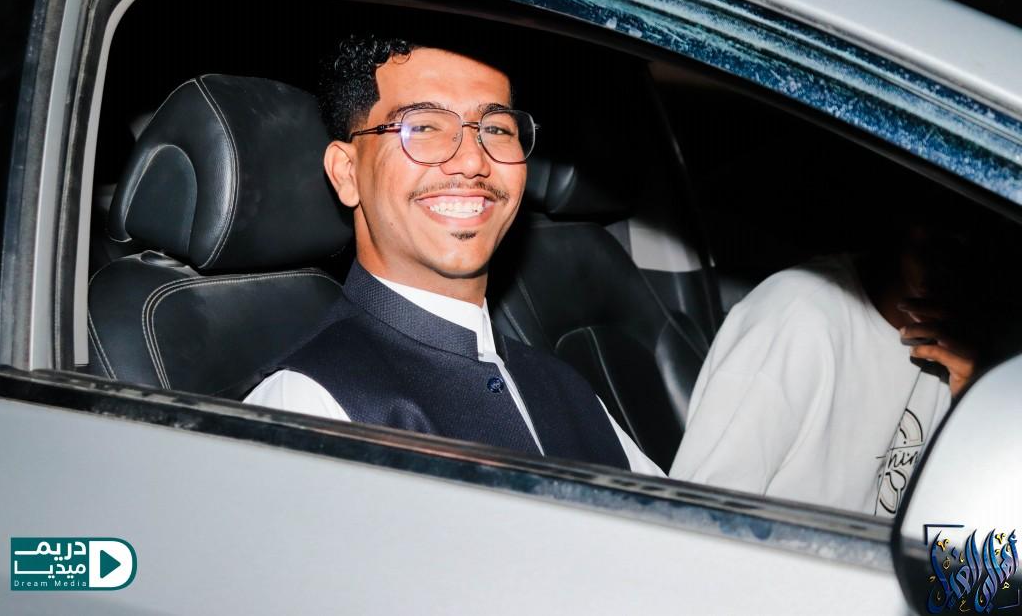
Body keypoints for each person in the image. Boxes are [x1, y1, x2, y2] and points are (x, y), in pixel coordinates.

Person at [244, 34, 661, 475]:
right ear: (348, 174)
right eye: (423, 127)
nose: (472, 161)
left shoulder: (568, 389)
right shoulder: (308, 407)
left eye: (496, 130)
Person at [670, 205, 982, 515]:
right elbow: (698, 514)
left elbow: (960, 526)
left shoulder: (960, 356)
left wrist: (972, 404)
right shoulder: (799, 319)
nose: (957, 247)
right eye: (946, 226)